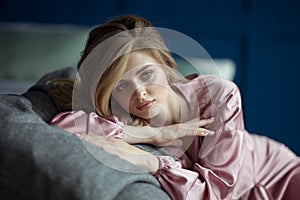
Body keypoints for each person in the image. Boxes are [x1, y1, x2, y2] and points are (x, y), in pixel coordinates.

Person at [49, 15, 300, 199]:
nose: (140, 93)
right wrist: (154, 134)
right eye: (122, 86)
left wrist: (154, 164)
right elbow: (62, 126)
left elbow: (216, 193)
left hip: (278, 175)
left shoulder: (219, 96)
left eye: (147, 74)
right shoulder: (121, 114)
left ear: (165, 65)